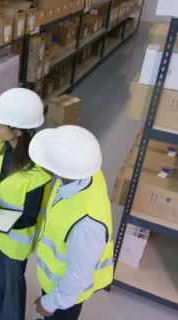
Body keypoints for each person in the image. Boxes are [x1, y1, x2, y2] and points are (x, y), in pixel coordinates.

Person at [0, 88, 51, 320]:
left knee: (13, 288)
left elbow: (29, 217)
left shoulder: (37, 171)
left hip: (14, 244)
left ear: (17, 130)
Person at [28, 125, 114, 320]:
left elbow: (78, 276)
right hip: (54, 280)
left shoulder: (87, 224)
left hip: (65, 298)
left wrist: (50, 303)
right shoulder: (80, 174)